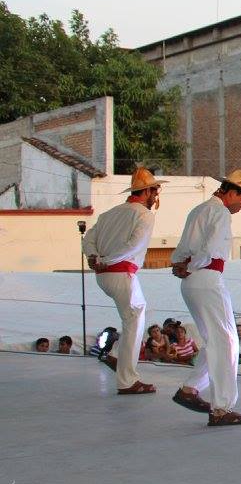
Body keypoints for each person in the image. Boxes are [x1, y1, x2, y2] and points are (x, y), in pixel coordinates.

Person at [169, 170, 241, 426]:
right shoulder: (220, 213)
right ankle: (222, 407)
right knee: (227, 341)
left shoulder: (198, 210)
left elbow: (182, 249)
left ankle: (190, 389)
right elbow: (208, 250)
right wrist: (193, 265)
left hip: (192, 282)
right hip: (206, 278)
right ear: (232, 193)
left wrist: (181, 265)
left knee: (216, 340)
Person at [83, 166, 164, 394]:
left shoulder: (109, 214)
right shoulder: (144, 215)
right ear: (146, 192)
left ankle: (117, 356)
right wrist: (105, 260)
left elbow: (88, 239)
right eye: (154, 192)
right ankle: (127, 379)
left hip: (105, 276)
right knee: (134, 320)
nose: (155, 197)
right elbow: (133, 246)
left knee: (137, 316)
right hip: (121, 274)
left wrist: (95, 257)